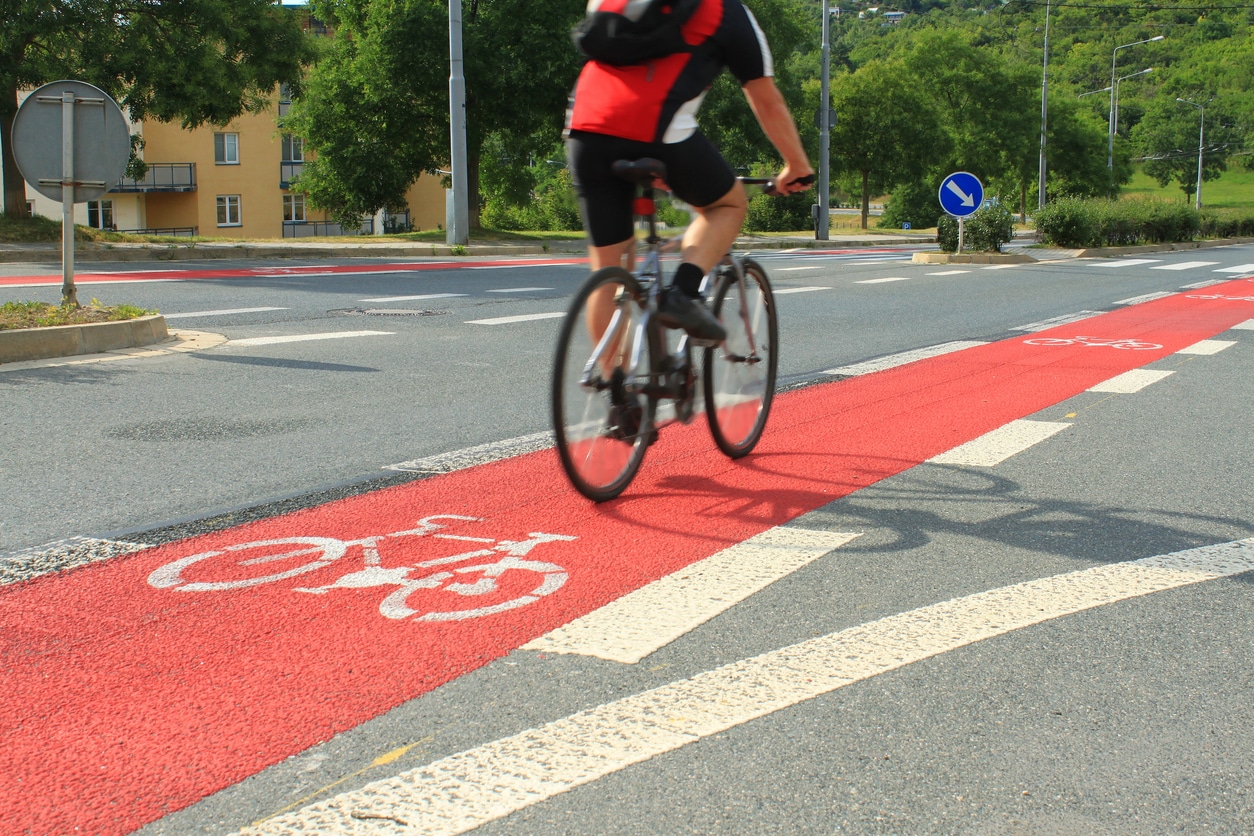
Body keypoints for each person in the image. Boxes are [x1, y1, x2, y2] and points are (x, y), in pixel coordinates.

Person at [566, 0, 815, 343]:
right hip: (658, 128)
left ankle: (615, 388)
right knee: (727, 204)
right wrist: (797, 165)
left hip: (586, 128)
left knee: (609, 274)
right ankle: (682, 294)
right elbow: (765, 98)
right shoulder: (726, 11)